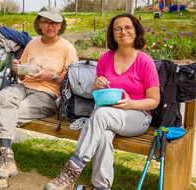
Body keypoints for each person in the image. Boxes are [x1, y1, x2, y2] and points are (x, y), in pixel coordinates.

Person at [44, 13, 160, 190]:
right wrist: (97, 86)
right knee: (104, 136)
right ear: (113, 34)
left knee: (102, 114)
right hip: (107, 115)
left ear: (136, 31)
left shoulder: (145, 61)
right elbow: (95, 93)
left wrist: (131, 104)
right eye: (118, 29)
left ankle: (71, 171)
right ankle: (102, 187)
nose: (123, 32)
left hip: (137, 116)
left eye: (128, 27)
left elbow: (154, 100)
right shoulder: (106, 58)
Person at [0, 6, 78, 190]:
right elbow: (21, 77)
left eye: (54, 22)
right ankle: (5, 161)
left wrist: (50, 76)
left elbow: (72, 82)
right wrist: (18, 67)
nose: (50, 26)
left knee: (4, 114)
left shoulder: (67, 48)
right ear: (39, 24)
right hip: (24, 86)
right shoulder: (32, 44)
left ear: (60, 25)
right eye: (45, 21)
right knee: (4, 96)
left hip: (48, 94)